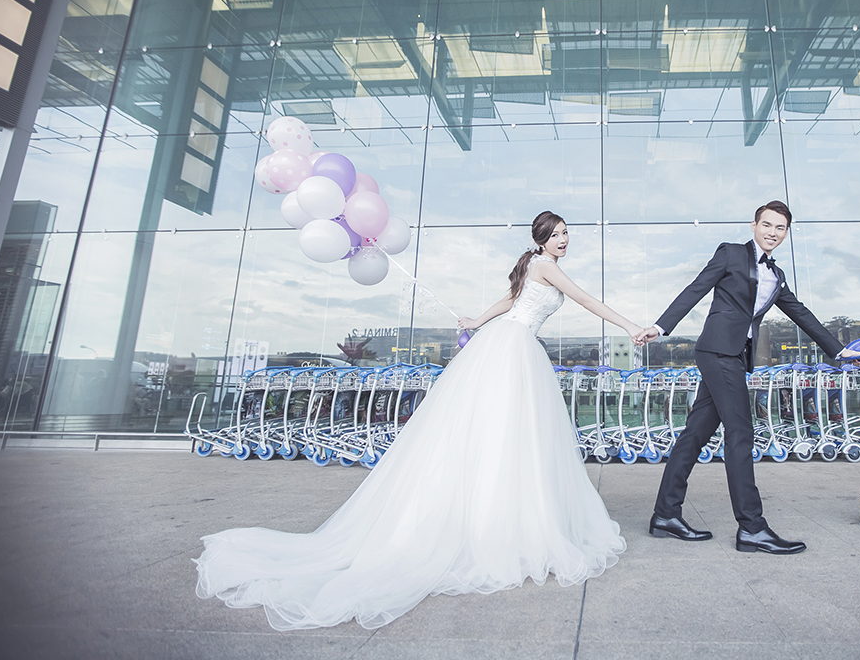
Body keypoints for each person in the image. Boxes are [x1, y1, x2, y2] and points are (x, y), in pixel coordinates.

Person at [195, 211, 637, 630]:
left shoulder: (532, 266)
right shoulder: (545, 265)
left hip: (507, 343)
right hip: (512, 347)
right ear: (541, 240)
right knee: (505, 434)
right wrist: (631, 326)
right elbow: (583, 299)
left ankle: (498, 519)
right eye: (558, 233)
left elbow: (511, 299)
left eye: (566, 233)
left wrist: (476, 319)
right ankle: (498, 526)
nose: (565, 239)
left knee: (497, 434)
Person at [635, 200, 860, 555]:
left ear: (786, 234)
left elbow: (801, 313)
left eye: (780, 228)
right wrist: (661, 327)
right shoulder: (731, 254)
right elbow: (696, 288)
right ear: (754, 225)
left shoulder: (777, 276)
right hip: (718, 352)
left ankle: (665, 514)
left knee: (695, 435)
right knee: (740, 434)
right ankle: (752, 528)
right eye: (767, 225)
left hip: (734, 356)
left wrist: (838, 349)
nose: (772, 232)